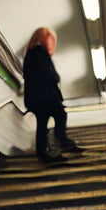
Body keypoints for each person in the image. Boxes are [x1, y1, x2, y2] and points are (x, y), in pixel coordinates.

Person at [21, 26, 82, 163]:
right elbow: (47, 74)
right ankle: (56, 145)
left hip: (35, 97)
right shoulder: (39, 51)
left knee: (46, 121)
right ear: (44, 39)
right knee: (57, 115)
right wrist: (55, 78)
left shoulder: (29, 53)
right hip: (43, 96)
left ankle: (50, 148)